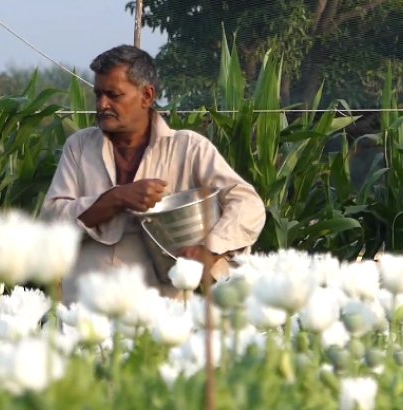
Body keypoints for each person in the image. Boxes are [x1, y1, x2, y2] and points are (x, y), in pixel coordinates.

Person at [41, 45, 266, 302]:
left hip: (161, 312)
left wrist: (211, 249)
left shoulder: (188, 148)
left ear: (147, 96)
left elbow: (248, 203)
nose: (102, 105)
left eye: (114, 95)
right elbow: (50, 220)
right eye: (98, 94)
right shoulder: (79, 147)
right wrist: (114, 199)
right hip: (87, 307)